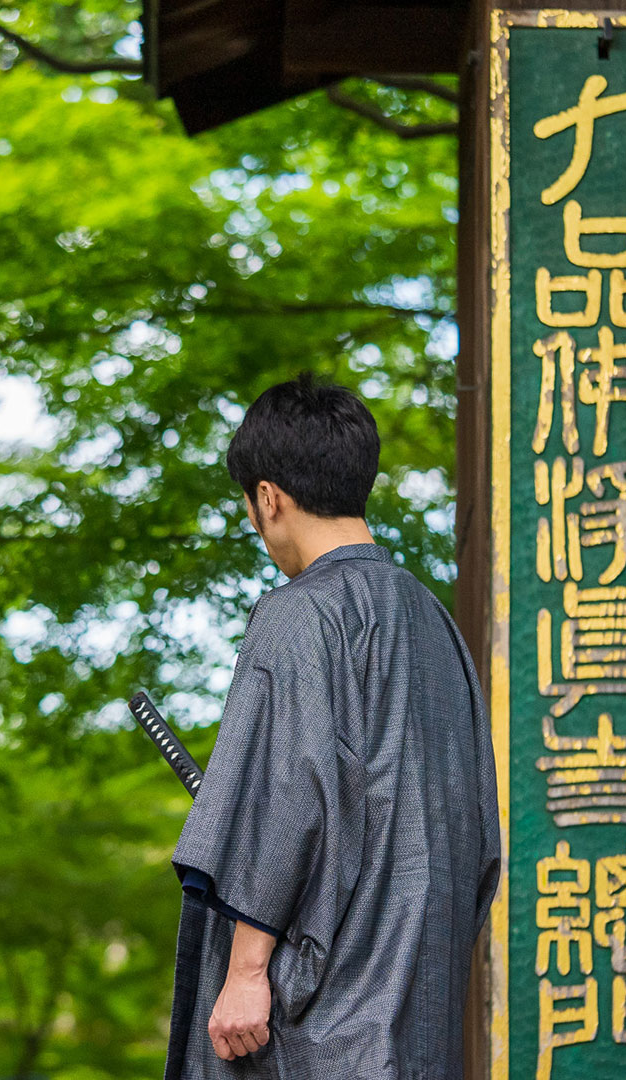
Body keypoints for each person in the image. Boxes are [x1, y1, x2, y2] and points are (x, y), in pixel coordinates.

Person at [164, 374, 502, 1079]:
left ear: (268, 497)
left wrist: (249, 970)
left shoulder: (298, 615)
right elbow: (478, 828)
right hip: (419, 1024)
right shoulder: (435, 623)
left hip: (317, 1028)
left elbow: (288, 796)